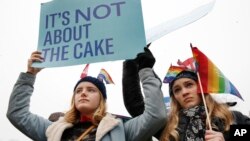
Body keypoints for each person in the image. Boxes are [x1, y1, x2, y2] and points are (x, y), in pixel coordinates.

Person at [6, 49, 166, 141]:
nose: (83, 93)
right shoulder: (53, 129)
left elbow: (156, 116)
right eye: (78, 90)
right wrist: (29, 74)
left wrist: (145, 70)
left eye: (91, 90)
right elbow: (17, 114)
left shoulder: (120, 129)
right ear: (73, 99)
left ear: (101, 100)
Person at [122, 59, 250, 141]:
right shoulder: (169, 126)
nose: (184, 92)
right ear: (175, 98)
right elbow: (136, 106)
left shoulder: (231, 118)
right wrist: (131, 63)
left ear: (200, 88)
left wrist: (226, 138)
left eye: (189, 85)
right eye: (177, 90)